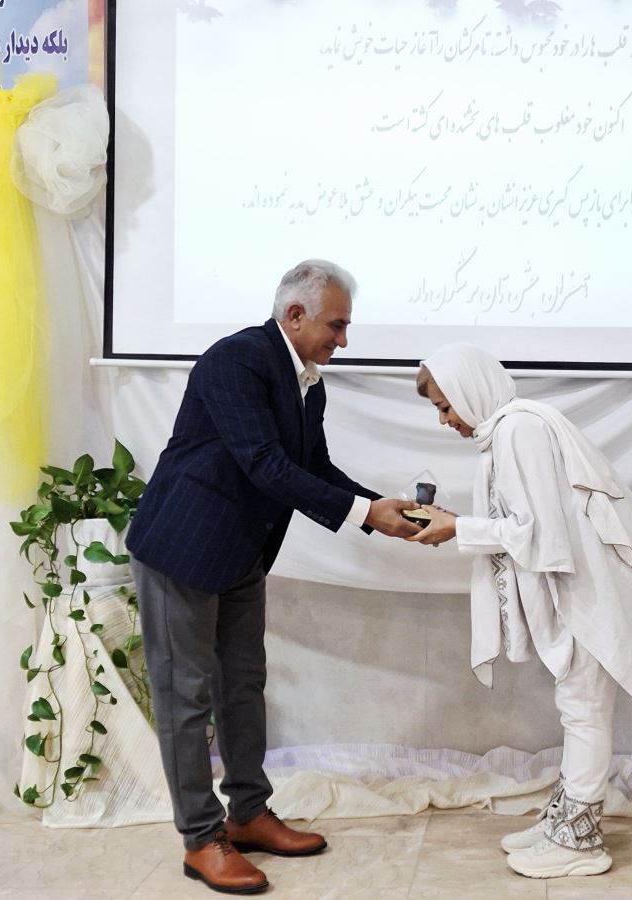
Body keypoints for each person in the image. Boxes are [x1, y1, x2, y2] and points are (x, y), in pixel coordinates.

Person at [126, 260, 420, 895]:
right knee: (186, 696)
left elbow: (312, 466)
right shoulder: (236, 360)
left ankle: (249, 813)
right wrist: (364, 513)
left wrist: (377, 507)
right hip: (182, 550)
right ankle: (201, 839)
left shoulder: (308, 382)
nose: (343, 340)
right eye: (336, 326)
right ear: (295, 315)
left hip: (241, 554)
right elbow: (264, 463)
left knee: (243, 686)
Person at [408, 343, 632, 879]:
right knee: (577, 707)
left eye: (445, 406)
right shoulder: (514, 428)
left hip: (588, 593)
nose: (444, 420)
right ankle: (565, 821)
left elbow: (539, 535)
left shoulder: (518, 430)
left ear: (470, 390)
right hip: (581, 588)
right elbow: (533, 524)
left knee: (585, 710)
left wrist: (458, 528)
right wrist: (458, 524)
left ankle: (580, 844)